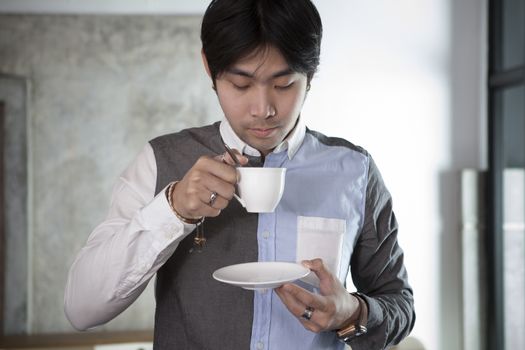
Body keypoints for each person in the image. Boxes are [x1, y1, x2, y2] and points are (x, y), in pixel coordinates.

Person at [64, 0, 415, 349]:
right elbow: (81, 310)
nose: (263, 110)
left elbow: (399, 303)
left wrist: (353, 313)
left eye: (283, 84)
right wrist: (172, 211)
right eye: (241, 84)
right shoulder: (161, 160)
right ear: (209, 68)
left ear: (310, 75)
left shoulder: (355, 170)